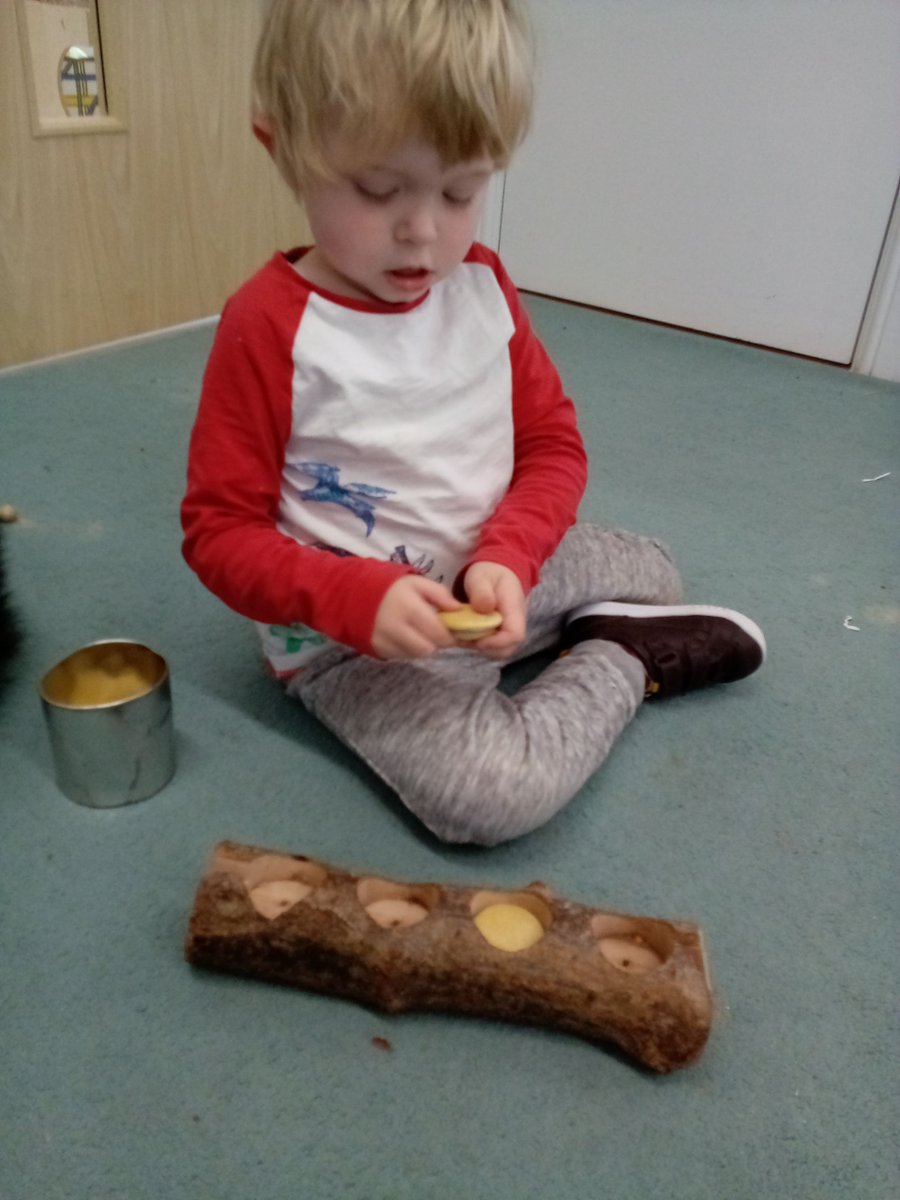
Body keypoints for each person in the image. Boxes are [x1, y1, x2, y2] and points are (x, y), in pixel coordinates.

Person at [181, 0, 766, 846]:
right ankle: (626, 658)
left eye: (462, 190)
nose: (423, 233)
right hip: (357, 642)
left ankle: (591, 617)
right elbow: (217, 533)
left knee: (657, 572)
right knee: (493, 799)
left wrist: (510, 557)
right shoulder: (268, 327)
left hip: (495, 578)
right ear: (285, 151)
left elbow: (553, 447)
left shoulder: (482, 287)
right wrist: (353, 599)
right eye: (378, 189)